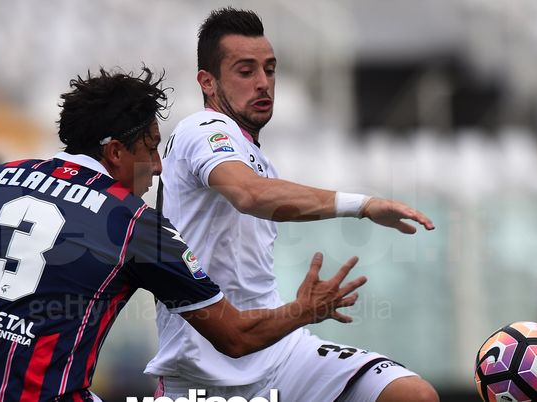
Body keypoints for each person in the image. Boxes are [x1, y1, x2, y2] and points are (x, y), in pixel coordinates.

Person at [0, 66, 368, 402]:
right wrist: (305, 310)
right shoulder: (134, 225)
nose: (157, 166)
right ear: (114, 152)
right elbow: (235, 337)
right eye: (150, 148)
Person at [145, 8, 440, 402]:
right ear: (208, 82)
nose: (264, 84)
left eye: (269, 69)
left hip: (279, 356)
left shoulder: (256, 156)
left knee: (411, 395)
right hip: (201, 377)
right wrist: (363, 205)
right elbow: (250, 195)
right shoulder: (204, 129)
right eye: (246, 71)